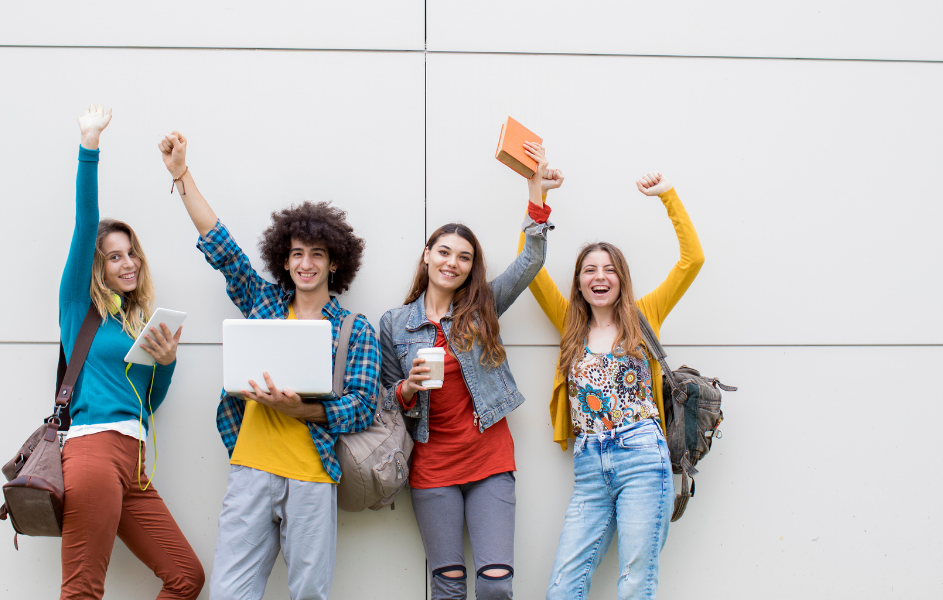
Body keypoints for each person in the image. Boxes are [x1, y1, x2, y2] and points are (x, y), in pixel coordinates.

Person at [158, 131, 380, 600]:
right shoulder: (263, 303)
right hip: (250, 471)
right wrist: (181, 175)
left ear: (334, 262)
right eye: (297, 253)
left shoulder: (355, 329)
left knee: (309, 594)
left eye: (317, 254)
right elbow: (221, 248)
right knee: (229, 593)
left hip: (313, 477)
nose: (306, 263)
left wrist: (304, 410)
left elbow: (362, 407)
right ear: (285, 258)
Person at [379, 143, 563, 600]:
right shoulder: (394, 323)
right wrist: (407, 388)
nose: (451, 263)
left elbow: (530, 263)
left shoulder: (483, 309)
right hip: (431, 463)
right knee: (448, 584)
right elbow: (381, 398)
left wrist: (535, 197)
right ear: (427, 255)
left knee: (496, 586)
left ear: (470, 268)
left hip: (489, 459)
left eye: (463, 257)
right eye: (443, 252)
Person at [517, 171, 704, 600]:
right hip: (590, 465)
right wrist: (537, 197)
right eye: (589, 270)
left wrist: (667, 197)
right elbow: (529, 266)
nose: (599, 276)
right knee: (564, 587)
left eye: (608, 269)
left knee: (636, 584)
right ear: (580, 282)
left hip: (643, 457)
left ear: (620, 278)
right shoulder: (569, 323)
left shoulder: (644, 316)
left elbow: (692, 261)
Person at [59, 105, 204, 599]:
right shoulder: (79, 308)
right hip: (94, 452)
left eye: (131, 252)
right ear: (97, 267)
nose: (128, 262)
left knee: (187, 577)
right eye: (114, 256)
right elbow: (86, 223)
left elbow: (148, 402)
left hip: (134, 459)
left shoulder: (135, 323)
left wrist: (165, 364)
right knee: (83, 589)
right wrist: (90, 147)